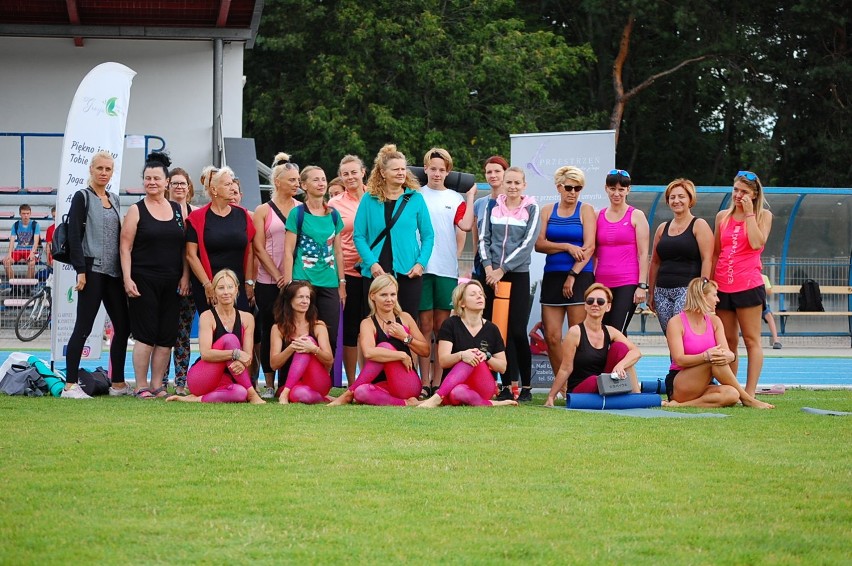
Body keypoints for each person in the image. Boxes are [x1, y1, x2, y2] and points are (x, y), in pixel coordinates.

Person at [62, 150, 132, 399]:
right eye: (100, 168)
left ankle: (118, 384)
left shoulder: (114, 198)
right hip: (91, 272)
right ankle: (70, 385)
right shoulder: (82, 197)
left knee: (123, 327)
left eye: (108, 169)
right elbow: (73, 236)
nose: (104, 173)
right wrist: (80, 270)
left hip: (113, 273)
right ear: (91, 170)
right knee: (84, 326)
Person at [120, 152, 188, 398]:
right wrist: (127, 279)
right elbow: (125, 247)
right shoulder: (136, 210)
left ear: (166, 181)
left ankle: (157, 384)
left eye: (157, 178)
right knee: (145, 335)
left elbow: (185, 249)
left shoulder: (178, 210)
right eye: (147, 178)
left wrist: (185, 277)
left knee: (166, 337)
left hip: (173, 282)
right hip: (143, 281)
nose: (152, 182)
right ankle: (140, 385)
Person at [417, 148, 476, 398]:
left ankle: (438, 381)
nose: (437, 173)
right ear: (426, 169)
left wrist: (470, 196)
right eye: (433, 168)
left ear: (448, 172)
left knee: (442, 326)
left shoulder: (455, 198)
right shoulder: (415, 195)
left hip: (445, 268)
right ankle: (423, 381)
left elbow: (465, 225)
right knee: (424, 325)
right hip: (419, 267)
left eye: (442, 169)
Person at [663, 278, 774, 409]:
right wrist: (706, 357)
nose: (718, 300)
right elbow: (679, 359)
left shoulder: (715, 321)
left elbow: (726, 353)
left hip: (705, 383)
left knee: (732, 394)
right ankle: (747, 399)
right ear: (702, 297)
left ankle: (680, 406)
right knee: (714, 358)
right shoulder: (676, 322)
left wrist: (730, 356)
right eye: (714, 295)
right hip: (681, 382)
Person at [479, 166, 541, 402]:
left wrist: (502, 269)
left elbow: (527, 244)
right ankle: (504, 385)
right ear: (503, 184)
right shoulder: (491, 206)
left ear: (524, 185)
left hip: (516, 275)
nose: (513, 187)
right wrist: (488, 268)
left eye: (517, 183)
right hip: (491, 275)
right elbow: (483, 237)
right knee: (497, 332)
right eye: (509, 182)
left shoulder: (532, 208)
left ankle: (525, 386)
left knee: (517, 331)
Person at [353, 144, 434, 319]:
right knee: (374, 322)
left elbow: (428, 235)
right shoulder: (369, 198)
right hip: (376, 270)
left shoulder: (416, 198)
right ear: (383, 173)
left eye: (403, 169)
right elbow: (359, 235)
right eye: (395, 169)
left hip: (408, 272)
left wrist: (421, 263)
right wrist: (372, 264)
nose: (401, 172)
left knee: (406, 321)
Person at [712, 170, 773, 396]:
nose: (738, 195)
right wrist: (710, 284)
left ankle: (750, 391)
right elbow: (717, 252)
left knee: (751, 339)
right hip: (723, 286)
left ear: (754, 194)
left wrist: (749, 214)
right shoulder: (722, 217)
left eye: (744, 192)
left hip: (748, 285)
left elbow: (757, 243)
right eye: (736, 190)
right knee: (728, 341)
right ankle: (732, 388)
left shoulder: (763, 216)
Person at [328, 274, 430, 407]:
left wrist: (405, 337)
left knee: (384, 346)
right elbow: (369, 353)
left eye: (393, 295)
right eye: (384, 295)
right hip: (383, 385)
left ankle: (347, 394)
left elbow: (425, 351)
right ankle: (406, 403)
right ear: (372, 296)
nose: (389, 299)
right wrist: (401, 355)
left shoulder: (405, 318)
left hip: (407, 383)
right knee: (361, 392)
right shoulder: (367, 323)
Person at [534, 165, 596, 381]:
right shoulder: (547, 210)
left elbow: (589, 248)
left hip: (579, 276)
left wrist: (572, 274)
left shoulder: (586, 210)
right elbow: (539, 244)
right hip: (552, 275)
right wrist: (567, 246)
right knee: (551, 336)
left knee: (576, 335)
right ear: (559, 187)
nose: (573, 192)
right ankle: (562, 384)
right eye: (569, 187)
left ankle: (578, 382)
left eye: (578, 188)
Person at [166, 269, 265, 404]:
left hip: (229, 376)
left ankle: (196, 399)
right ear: (214, 291)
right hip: (203, 376)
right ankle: (252, 393)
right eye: (221, 288)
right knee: (230, 339)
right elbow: (206, 354)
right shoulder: (207, 316)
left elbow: (247, 356)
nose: (226, 292)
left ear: (236, 289)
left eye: (230, 287)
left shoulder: (247, 318)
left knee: (240, 394)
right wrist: (235, 354)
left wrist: (242, 362)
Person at [419, 281, 518, 408]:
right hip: (453, 386)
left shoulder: (492, 329)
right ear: (462, 303)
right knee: (457, 391)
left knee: (473, 354)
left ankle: (437, 398)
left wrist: (486, 356)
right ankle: (491, 403)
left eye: (481, 294)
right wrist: (461, 355)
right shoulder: (450, 324)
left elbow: (502, 367)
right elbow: (443, 361)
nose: (479, 297)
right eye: (473, 294)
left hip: (482, 384)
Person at [544, 284, 642, 407]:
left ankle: (635, 396)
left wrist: (620, 365)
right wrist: (551, 396)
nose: (595, 304)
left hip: (605, 382)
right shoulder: (575, 332)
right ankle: (621, 395)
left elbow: (636, 352)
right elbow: (565, 368)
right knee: (595, 380)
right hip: (582, 388)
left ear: (608, 307)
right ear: (585, 306)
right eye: (590, 301)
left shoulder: (610, 331)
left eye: (600, 301)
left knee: (621, 348)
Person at [282, 165, 345, 353]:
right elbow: (288, 251)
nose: (321, 183)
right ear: (304, 185)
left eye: (323, 179)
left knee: (330, 334)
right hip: (303, 282)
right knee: (300, 332)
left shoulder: (333, 215)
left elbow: (338, 251)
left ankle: (323, 380)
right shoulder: (297, 214)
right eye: (315, 179)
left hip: (329, 283)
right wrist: (288, 285)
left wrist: (342, 283)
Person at [253, 153, 301, 397]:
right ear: (278, 182)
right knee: (268, 327)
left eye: (298, 180)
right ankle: (269, 383)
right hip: (268, 281)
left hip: (295, 280)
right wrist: (277, 274)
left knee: (292, 328)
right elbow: (258, 247)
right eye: (292, 180)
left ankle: (287, 382)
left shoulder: (301, 209)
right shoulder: (262, 210)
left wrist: (289, 275)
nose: (297, 184)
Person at [186, 166, 256, 314]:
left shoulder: (243, 215)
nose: (232, 187)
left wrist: (249, 282)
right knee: (213, 331)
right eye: (227, 184)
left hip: (237, 286)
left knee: (241, 329)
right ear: (214, 190)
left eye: (232, 183)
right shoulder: (196, 218)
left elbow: (250, 251)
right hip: (208, 285)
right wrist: (207, 285)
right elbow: (191, 255)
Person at [647, 178, 713, 333]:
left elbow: (707, 259)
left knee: (684, 334)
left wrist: (702, 290)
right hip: (662, 291)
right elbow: (655, 262)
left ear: (690, 199)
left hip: (687, 290)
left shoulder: (699, 225)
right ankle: (674, 359)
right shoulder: (662, 228)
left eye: (681, 196)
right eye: (672, 197)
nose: (676, 200)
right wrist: (651, 292)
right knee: (670, 337)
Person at [594, 168, 650, 334]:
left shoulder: (636, 215)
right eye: (612, 189)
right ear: (606, 189)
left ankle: (623, 359)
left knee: (617, 330)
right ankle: (613, 360)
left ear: (628, 190)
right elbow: (593, 252)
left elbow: (643, 254)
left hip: (627, 282)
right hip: (602, 283)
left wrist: (642, 286)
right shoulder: (598, 216)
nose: (616, 194)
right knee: (602, 331)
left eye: (621, 189)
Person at [328, 154, 367, 385]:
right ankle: (352, 382)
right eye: (345, 173)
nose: (350, 177)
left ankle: (368, 378)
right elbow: (333, 244)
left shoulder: (377, 197)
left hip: (375, 272)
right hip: (349, 273)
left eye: (354, 172)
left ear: (363, 172)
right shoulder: (335, 204)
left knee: (371, 327)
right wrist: (340, 280)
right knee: (351, 329)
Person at [270, 281, 334, 404]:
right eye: (300, 297)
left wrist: (313, 349)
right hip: (294, 384)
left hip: (317, 381)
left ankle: (285, 393)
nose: (305, 301)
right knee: (302, 396)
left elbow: (329, 359)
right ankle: (321, 398)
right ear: (289, 300)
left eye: (307, 297)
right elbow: (274, 364)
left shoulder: (318, 325)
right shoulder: (278, 328)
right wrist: (292, 347)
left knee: (307, 341)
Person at [166, 166, 196, 395]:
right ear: (168, 185)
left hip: (188, 280)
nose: (178, 187)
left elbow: (191, 251)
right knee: (163, 332)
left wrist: (187, 277)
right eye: (174, 183)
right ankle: (159, 379)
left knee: (183, 333)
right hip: (163, 278)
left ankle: (180, 381)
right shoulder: (158, 210)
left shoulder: (195, 214)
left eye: (182, 183)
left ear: (189, 187)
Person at [472, 155, 509, 299]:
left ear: (505, 173)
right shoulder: (479, 204)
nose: (493, 175)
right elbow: (477, 240)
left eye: (497, 171)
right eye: (489, 172)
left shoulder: (515, 203)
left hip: (504, 265)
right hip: (482, 266)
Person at [4, 204, 41, 281]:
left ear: (30, 213)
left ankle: (28, 287)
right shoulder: (16, 225)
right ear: (20, 214)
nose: (26, 216)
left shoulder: (35, 224)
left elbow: (36, 241)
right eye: (23, 213)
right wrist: (9, 254)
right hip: (19, 249)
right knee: (6, 262)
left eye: (27, 213)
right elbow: (12, 241)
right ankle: (13, 286)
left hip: (31, 250)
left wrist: (32, 253)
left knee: (32, 263)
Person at [762, 274, 782, 349]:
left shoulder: (764, 277)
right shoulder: (747, 276)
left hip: (763, 304)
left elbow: (769, 292)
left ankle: (776, 340)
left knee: (769, 316)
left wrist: (763, 287)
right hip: (750, 305)